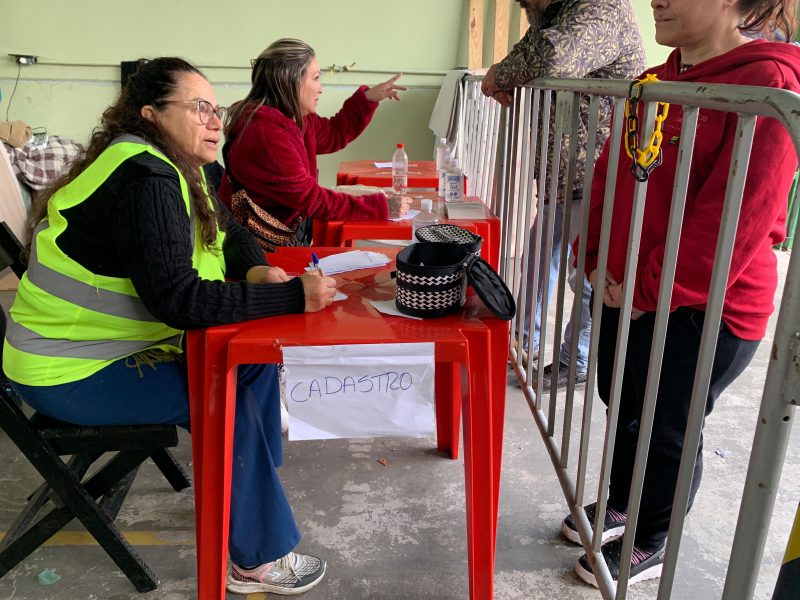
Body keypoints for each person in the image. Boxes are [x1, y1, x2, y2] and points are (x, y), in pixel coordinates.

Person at [2, 57, 339, 596]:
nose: (215, 121)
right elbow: (180, 301)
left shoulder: (185, 167)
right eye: (198, 108)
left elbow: (227, 228)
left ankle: (247, 494)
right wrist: (290, 295)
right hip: (66, 369)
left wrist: (253, 264)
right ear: (151, 115)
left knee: (246, 362)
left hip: (108, 349)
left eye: (216, 108)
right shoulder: (145, 179)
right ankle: (255, 560)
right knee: (222, 394)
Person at [566, 0, 800, 587]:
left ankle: (653, 537)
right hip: (627, 292)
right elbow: (606, 178)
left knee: (667, 424)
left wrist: (647, 291)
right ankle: (626, 500)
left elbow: (732, 221)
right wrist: (594, 260)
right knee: (623, 401)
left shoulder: (767, 85)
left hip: (703, 309)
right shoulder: (655, 82)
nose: (656, 0)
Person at [481, 0, 646, 391]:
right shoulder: (556, 13)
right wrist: (505, 72)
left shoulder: (601, 6)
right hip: (563, 176)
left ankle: (578, 358)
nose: (523, 3)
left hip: (600, 175)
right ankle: (523, 344)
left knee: (587, 274)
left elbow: (556, 55)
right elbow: (531, 50)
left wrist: (500, 74)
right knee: (539, 260)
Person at [220, 38, 412, 249]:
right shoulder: (266, 134)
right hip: (261, 249)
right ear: (291, 81)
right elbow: (313, 200)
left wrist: (368, 99)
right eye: (316, 78)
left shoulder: (295, 117)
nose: (321, 88)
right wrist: (381, 207)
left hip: (288, 233)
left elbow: (333, 133)